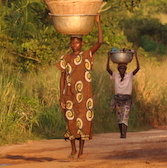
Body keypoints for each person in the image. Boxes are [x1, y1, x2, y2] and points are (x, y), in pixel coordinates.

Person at [56, 14, 102, 159]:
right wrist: (61, 96)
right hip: (69, 94)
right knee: (70, 122)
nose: (75, 45)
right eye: (73, 43)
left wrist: (98, 23)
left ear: (81, 44)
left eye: (77, 42)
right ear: (70, 44)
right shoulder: (66, 58)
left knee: (83, 122)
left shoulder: (87, 55)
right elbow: (62, 77)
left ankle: (81, 150)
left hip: (85, 95)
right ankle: (73, 149)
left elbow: (100, 42)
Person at [106, 51, 140, 138]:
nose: (121, 70)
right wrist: (108, 57)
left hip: (127, 99)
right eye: (120, 68)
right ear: (118, 69)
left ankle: (124, 134)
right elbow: (108, 69)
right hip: (118, 99)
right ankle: (121, 133)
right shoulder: (115, 75)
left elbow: (138, 68)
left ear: (125, 69)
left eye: (123, 68)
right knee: (119, 117)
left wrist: (136, 56)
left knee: (125, 116)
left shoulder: (129, 75)